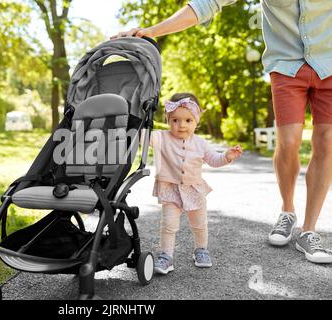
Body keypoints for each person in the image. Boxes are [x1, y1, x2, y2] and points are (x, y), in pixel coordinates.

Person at [113, 0, 332, 264]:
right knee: (289, 140)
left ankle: (308, 230)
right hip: (286, 67)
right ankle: (288, 211)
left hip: (329, 64)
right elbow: (207, 3)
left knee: (327, 142)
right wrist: (153, 30)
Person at [147, 92, 242, 274]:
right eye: (175, 120)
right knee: (168, 225)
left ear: (196, 121)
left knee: (199, 223)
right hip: (170, 189)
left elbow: (214, 159)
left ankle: (201, 249)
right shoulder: (160, 138)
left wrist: (227, 157)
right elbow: (142, 137)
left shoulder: (200, 143)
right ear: (168, 120)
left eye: (188, 121)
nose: (181, 125)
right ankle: (166, 256)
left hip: (194, 190)